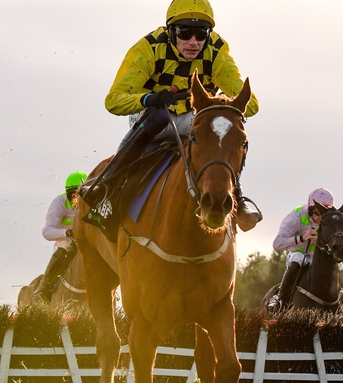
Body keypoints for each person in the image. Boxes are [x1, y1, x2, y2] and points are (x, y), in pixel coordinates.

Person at [81, 0, 261, 231]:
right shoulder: (148, 48)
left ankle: (236, 195)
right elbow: (113, 101)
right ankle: (106, 185)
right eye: (185, 32)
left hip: (191, 119)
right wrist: (148, 98)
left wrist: (217, 105)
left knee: (224, 128)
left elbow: (252, 105)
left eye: (201, 33)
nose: (193, 42)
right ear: (170, 31)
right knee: (159, 118)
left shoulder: (217, 52)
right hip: (152, 113)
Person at [268, 188, 343, 314]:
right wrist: (303, 237)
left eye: (324, 211)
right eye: (316, 211)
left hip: (321, 258)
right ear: (310, 209)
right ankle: (280, 298)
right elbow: (277, 244)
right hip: (299, 254)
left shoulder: (330, 219)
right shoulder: (297, 216)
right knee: (297, 260)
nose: (320, 217)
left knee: (340, 266)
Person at [30, 171, 88, 304]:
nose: (75, 200)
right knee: (64, 248)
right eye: (73, 194)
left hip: (86, 239)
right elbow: (47, 232)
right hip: (66, 241)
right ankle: (43, 290)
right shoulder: (59, 203)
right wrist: (67, 233)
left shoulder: (93, 202)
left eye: (79, 195)